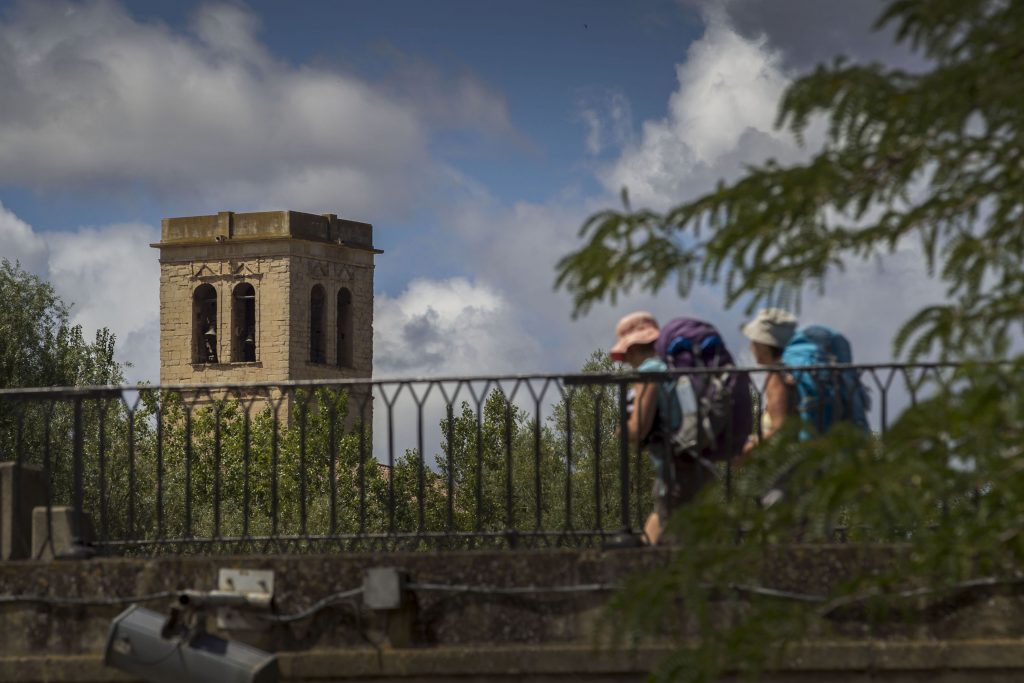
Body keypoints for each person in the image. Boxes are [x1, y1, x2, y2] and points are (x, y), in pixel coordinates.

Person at [609, 311, 702, 545]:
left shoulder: (651, 371)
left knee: (665, 523)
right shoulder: (673, 367)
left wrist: (622, 430)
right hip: (698, 456)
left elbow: (639, 426)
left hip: (676, 463)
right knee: (669, 522)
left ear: (631, 348)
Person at [739, 308, 799, 459]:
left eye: (754, 341)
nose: (751, 347)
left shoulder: (777, 379)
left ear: (764, 344)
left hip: (782, 470)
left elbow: (780, 430)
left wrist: (747, 450)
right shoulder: (787, 372)